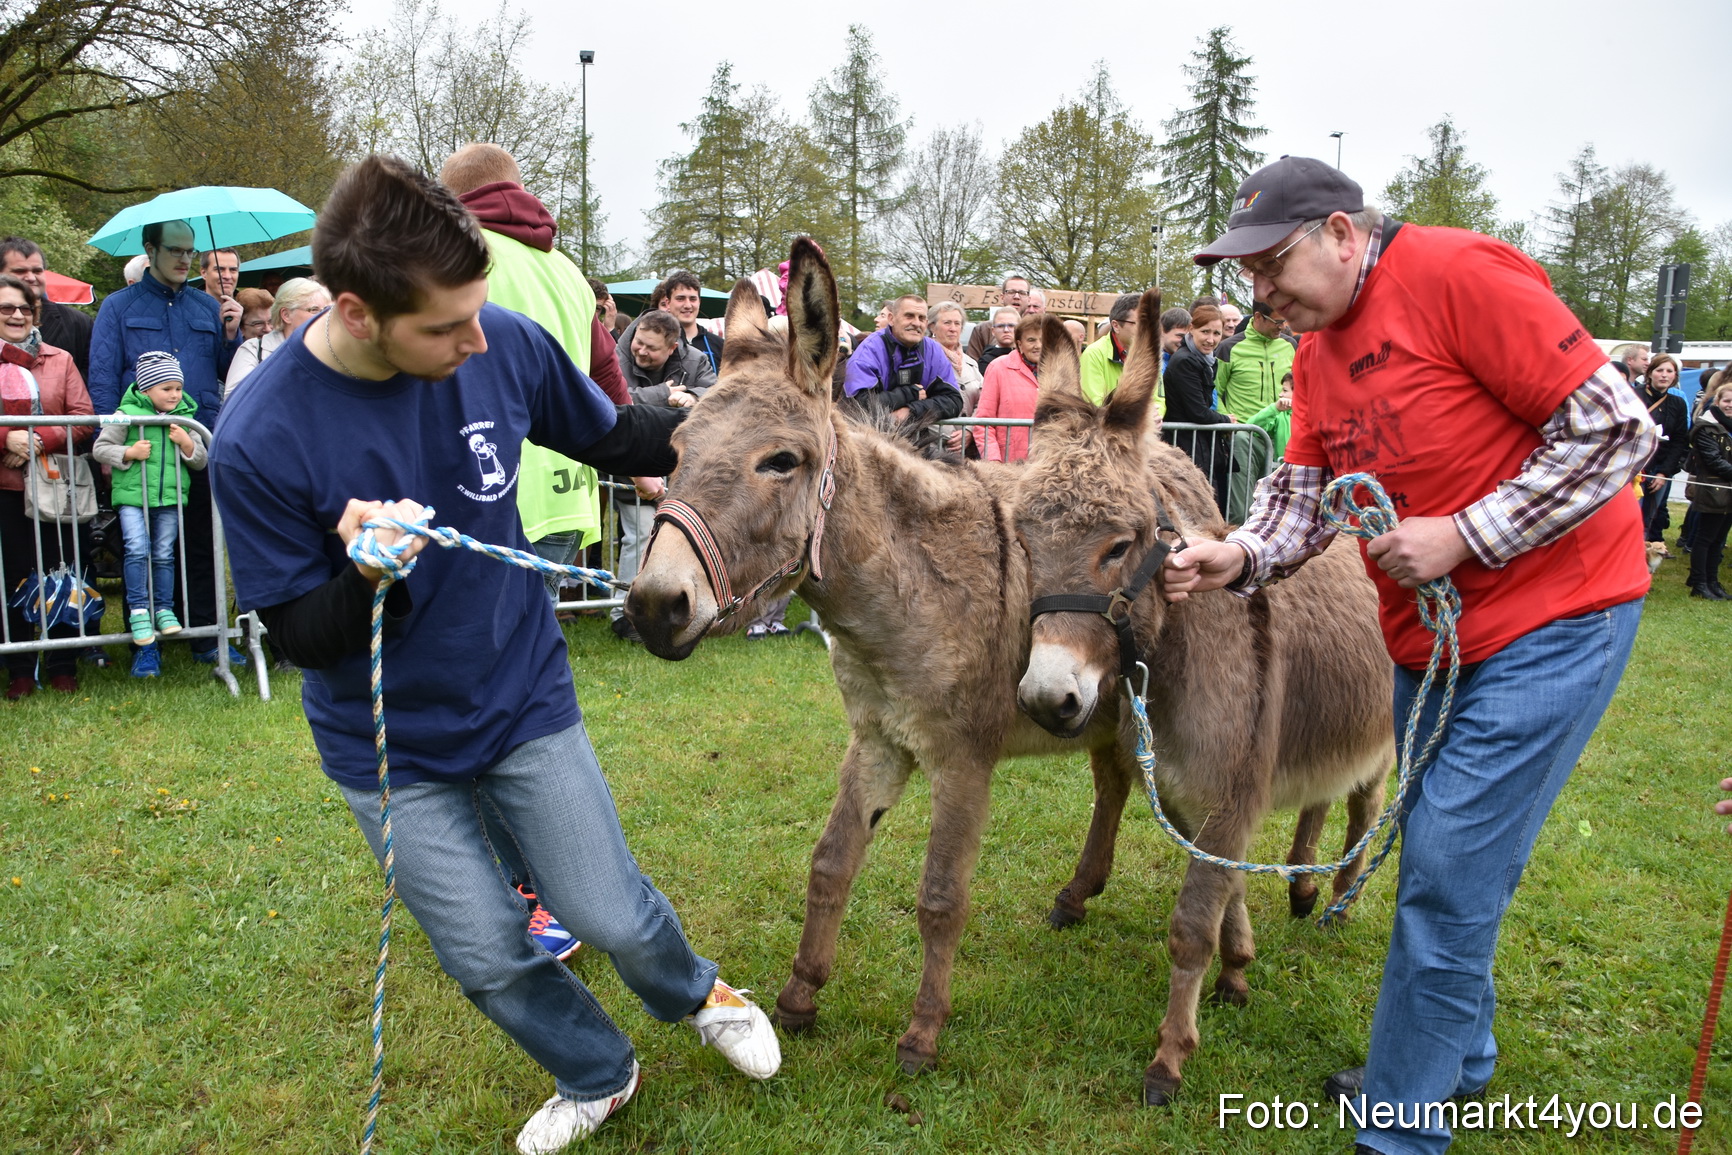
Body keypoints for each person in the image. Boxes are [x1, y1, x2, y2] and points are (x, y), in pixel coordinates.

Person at [207, 156, 781, 1153]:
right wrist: (362, 575)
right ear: (355, 312)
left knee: (607, 911)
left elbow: (615, 437)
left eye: (477, 312)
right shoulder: (259, 438)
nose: (477, 341)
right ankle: (597, 1072)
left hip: (520, 695)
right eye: (445, 327)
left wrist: (728, 429)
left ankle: (699, 993)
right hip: (391, 750)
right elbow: (300, 637)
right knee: (485, 951)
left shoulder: (501, 340)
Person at [1168, 155, 1653, 1155]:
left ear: (1342, 235)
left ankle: (1399, 1123)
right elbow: (1305, 494)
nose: (1259, 295)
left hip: (1555, 620)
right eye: (1247, 275)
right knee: (1446, 857)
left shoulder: (1459, 276)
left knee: (1443, 868)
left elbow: (1615, 430)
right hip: (1431, 638)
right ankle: (1453, 1057)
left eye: (1272, 266)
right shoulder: (1315, 349)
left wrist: (1466, 534)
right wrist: (1240, 553)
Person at [439, 142, 615, 614]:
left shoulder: (453, 256)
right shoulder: (567, 269)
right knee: (531, 632)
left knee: (491, 637)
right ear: (518, 188)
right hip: (568, 491)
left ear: (448, 198)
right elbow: (605, 370)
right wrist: (638, 465)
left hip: (488, 493)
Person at [90, 218, 240, 666]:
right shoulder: (117, 307)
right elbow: (102, 377)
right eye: (174, 250)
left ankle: (206, 639)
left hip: (195, 443)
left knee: (201, 544)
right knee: (141, 550)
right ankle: (146, 645)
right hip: (142, 451)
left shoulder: (208, 306)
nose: (183, 259)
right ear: (150, 249)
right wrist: (109, 445)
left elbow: (226, 371)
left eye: (189, 251)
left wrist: (231, 334)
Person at [0, 274, 92, 699]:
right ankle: (20, 667)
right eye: (6, 308)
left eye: (25, 308)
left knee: (61, 574)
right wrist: (7, 439)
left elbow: (83, 417)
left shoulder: (60, 359)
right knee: (13, 576)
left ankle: (62, 664)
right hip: (5, 489)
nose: (17, 315)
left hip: (54, 488)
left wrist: (36, 439)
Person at [91, 351, 207, 673]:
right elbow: (100, 448)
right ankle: (139, 611)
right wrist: (128, 452)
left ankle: (164, 609)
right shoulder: (125, 414)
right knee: (136, 548)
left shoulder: (186, 417)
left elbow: (200, 460)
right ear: (145, 390)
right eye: (166, 388)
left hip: (169, 499)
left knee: (164, 554)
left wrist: (187, 444)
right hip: (132, 498)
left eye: (178, 388)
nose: (175, 395)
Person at [611, 309, 714, 641]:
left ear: (672, 348)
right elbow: (610, 396)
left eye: (651, 348)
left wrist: (694, 396)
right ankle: (625, 613)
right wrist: (662, 396)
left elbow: (717, 394)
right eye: (638, 342)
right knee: (640, 536)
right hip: (629, 463)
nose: (640, 351)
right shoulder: (617, 355)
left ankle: (676, 607)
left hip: (682, 469)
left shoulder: (696, 359)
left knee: (679, 540)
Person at [842, 295, 963, 424]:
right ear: (891, 319)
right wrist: (909, 394)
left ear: (926, 323)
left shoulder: (933, 350)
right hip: (867, 433)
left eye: (921, 318)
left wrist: (911, 411)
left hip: (917, 434)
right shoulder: (869, 351)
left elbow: (953, 401)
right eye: (909, 316)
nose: (916, 323)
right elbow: (859, 404)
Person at [1161, 302, 1233, 513]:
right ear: (1191, 329)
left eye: (1216, 333)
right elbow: (1198, 411)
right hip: (1187, 444)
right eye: (1205, 332)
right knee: (1195, 505)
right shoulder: (1186, 361)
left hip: (1198, 443)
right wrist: (1226, 421)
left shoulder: (1203, 359)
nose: (1211, 339)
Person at [1, 237, 93, 381]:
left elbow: (90, 379)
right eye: (20, 271)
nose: (31, 278)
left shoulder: (78, 323)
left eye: (37, 271)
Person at [226, 278, 331, 396]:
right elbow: (235, 398)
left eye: (326, 310)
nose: (324, 316)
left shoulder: (332, 352)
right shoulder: (254, 350)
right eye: (314, 310)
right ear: (286, 315)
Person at [1685, 381, 1732, 600]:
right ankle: (1699, 583)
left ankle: (1713, 581)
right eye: (1727, 401)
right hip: (1713, 489)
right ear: (1717, 401)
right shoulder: (1706, 427)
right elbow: (1713, 460)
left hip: (1729, 490)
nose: (1730, 405)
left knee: (1719, 539)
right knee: (1705, 538)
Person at [1635, 352, 1688, 548]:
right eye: (1659, 370)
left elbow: (1679, 440)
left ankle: (1643, 554)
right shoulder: (1634, 397)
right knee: (1631, 514)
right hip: (1635, 466)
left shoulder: (1678, 403)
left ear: (1675, 376)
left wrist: (1664, 472)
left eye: (1669, 371)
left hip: (1661, 466)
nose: (1664, 375)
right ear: (1650, 373)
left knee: (1650, 517)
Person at [975, 314, 1042, 462]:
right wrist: (993, 461)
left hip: (1046, 465)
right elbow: (984, 422)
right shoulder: (998, 367)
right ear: (1019, 344)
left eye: (1043, 340)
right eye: (1031, 340)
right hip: (1009, 464)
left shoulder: (1059, 371)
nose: (1038, 345)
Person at [1079, 292, 1141, 405]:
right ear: (1116, 326)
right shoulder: (1093, 354)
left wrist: (1154, 411)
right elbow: (1094, 404)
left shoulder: (1150, 355)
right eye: (1139, 323)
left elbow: (1158, 399)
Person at [927, 299, 983, 413]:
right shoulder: (925, 358)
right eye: (947, 323)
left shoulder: (971, 363)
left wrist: (972, 424)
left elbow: (984, 399)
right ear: (932, 327)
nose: (953, 329)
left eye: (957, 323)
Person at [966, 275, 1031, 359]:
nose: (1016, 297)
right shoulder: (983, 329)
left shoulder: (1035, 330)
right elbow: (972, 363)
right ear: (1002, 297)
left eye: (1022, 293)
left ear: (1029, 299)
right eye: (1011, 292)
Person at [199, 248, 243, 341]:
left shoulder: (249, 307)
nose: (227, 276)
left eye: (233, 270)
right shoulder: (189, 309)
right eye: (219, 269)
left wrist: (232, 333)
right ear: (203, 273)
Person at [975, 306, 1021, 373]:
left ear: (1019, 329)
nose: (1006, 330)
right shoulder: (985, 361)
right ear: (993, 331)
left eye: (1011, 326)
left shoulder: (1026, 357)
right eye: (1000, 326)